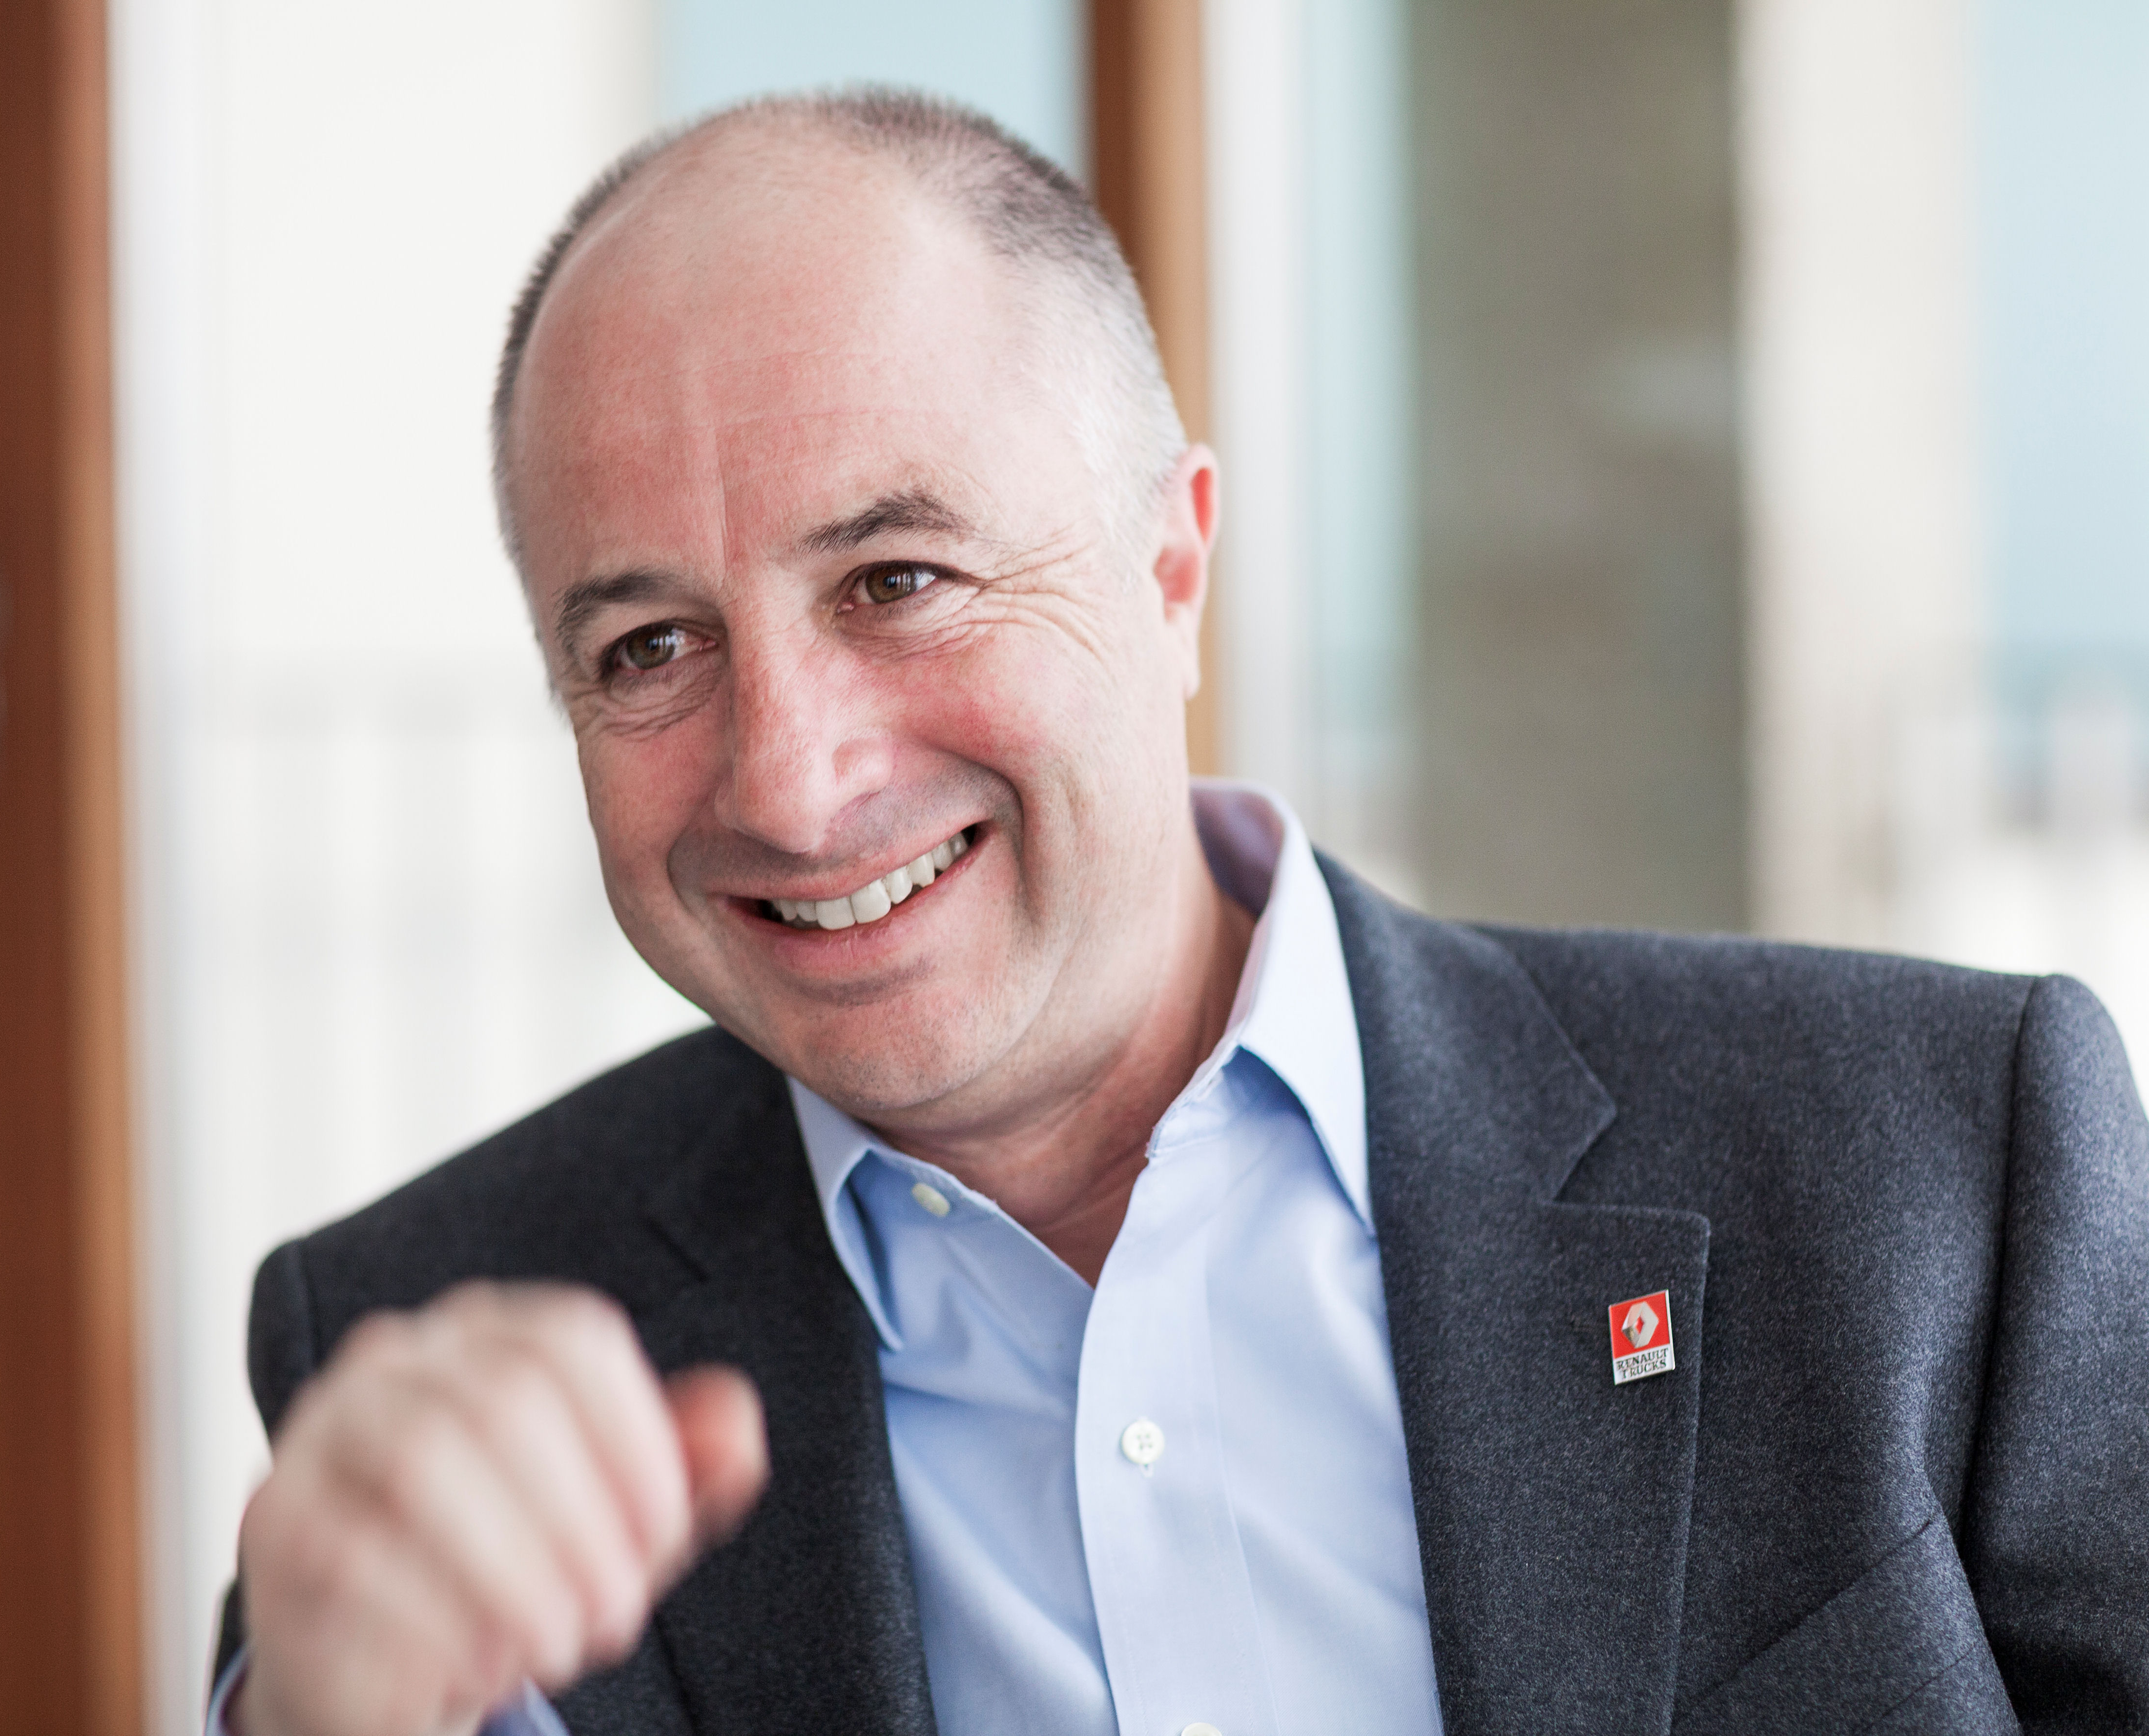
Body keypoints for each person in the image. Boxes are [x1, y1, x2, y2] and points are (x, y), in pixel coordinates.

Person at [208, 92, 2149, 1736]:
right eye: (649, 646)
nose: (787, 781)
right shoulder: (417, 1367)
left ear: (1170, 564)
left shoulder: (1932, 1169)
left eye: (897, 580)